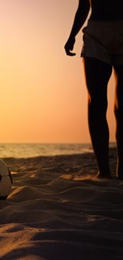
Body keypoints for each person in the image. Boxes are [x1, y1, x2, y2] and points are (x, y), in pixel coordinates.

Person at [64, 0, 123, 179]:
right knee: (96, 103)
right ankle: (103, 170)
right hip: (96, 34)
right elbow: (84, 5)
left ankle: (122, 169)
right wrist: (72, 34)